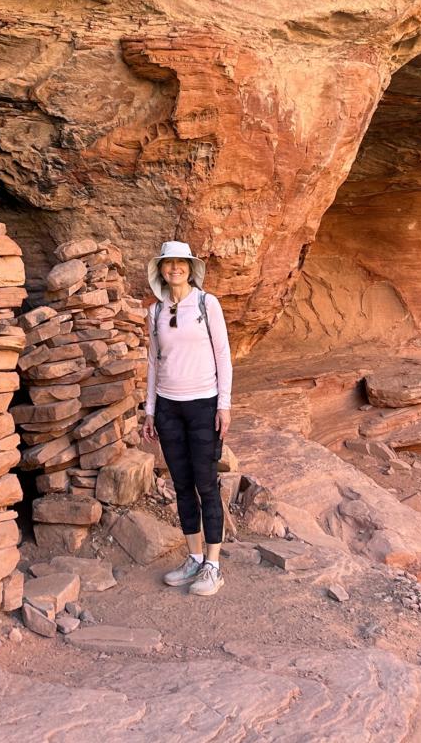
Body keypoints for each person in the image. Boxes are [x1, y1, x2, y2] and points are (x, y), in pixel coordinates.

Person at [140, 240, 232, 597]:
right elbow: (153, 363)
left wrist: (224, 404)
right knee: (181, 485)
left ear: (190, 268)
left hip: (203, 405)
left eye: (181, 262)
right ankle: (193, 557)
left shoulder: (207, 305)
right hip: (168, 407)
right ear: (161, 269)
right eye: (168, 263)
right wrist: (150, 411)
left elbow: (223, 356)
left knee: (206, 484)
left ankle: (213, 565)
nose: (174, 268)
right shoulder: (155, 312)